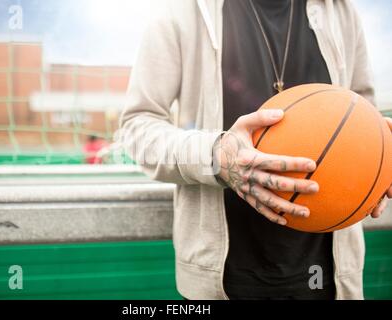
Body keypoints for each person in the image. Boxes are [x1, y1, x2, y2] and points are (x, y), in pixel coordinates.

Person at [119, 0, 392, 300]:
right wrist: (215, 156)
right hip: (225, 280)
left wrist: (380, 161)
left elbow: (365, 116)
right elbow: (137, 128)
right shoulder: (182, 11)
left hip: (327, 276)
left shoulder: (341, 12)